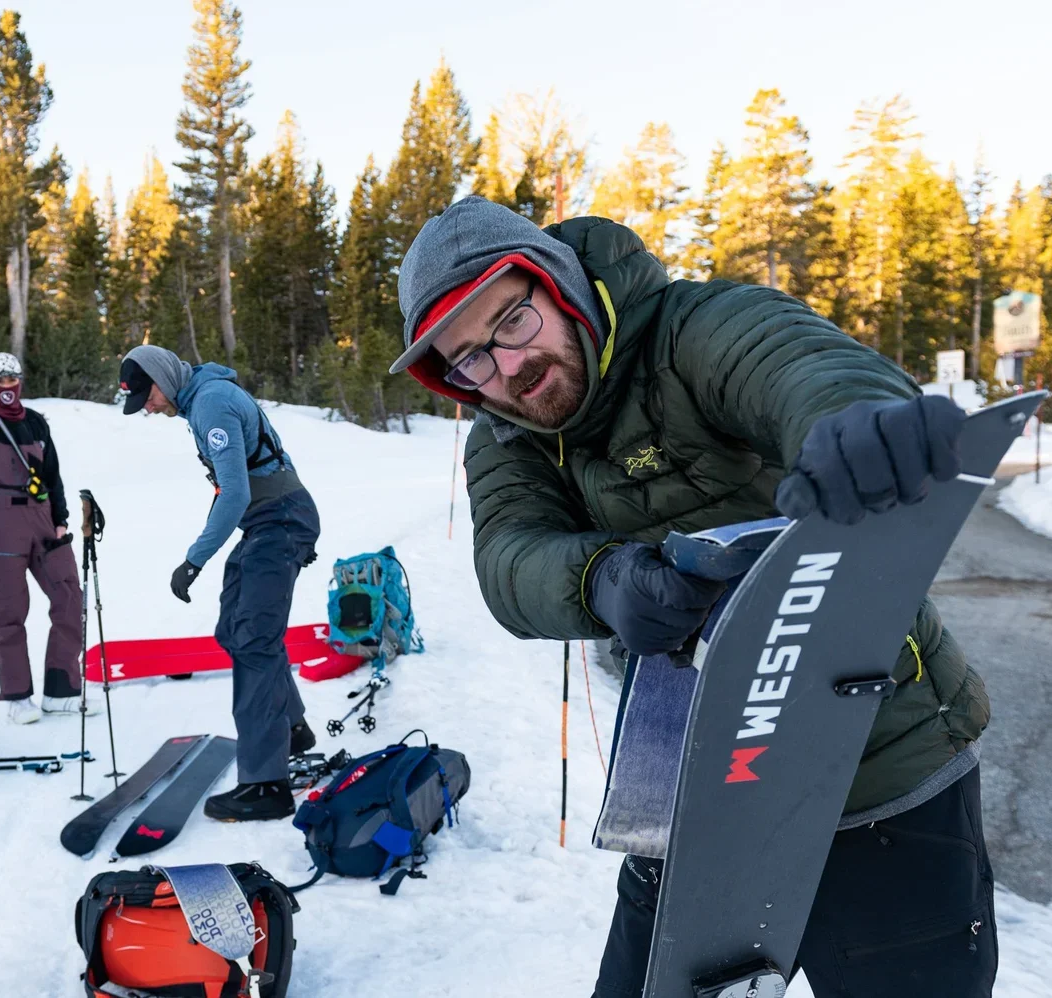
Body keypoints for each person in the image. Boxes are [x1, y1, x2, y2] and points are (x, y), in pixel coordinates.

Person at [388, 196, 996, 997]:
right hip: (690, 785)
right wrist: (599, 576)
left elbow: (798, 364)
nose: (506, 368)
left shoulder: (693, 328)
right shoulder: (507, 434)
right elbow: (508, 559)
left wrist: (859, 425)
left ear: (560, 285)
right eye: (468, 359)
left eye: (513, 321)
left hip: (878, 759)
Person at [119, 345, 320, 821]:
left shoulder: (211, 403)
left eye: (145, 396)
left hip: (281, 520)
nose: (146, 407)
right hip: (265, 521)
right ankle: (290, 729)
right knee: (235, 628)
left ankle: (265, 784)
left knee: (254, 638)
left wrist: (194, 559)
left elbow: (235, 492)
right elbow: (229, 491)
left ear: (161, 377)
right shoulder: (201, 400)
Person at [0, 352, 95, 724]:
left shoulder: (35, 423)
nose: (5, 387)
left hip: (43, 517)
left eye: (11, 379)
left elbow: (53, 473)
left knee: (69, 597)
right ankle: (17, 696)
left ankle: (60, 690)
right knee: (10, 610)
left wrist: (61, 519)